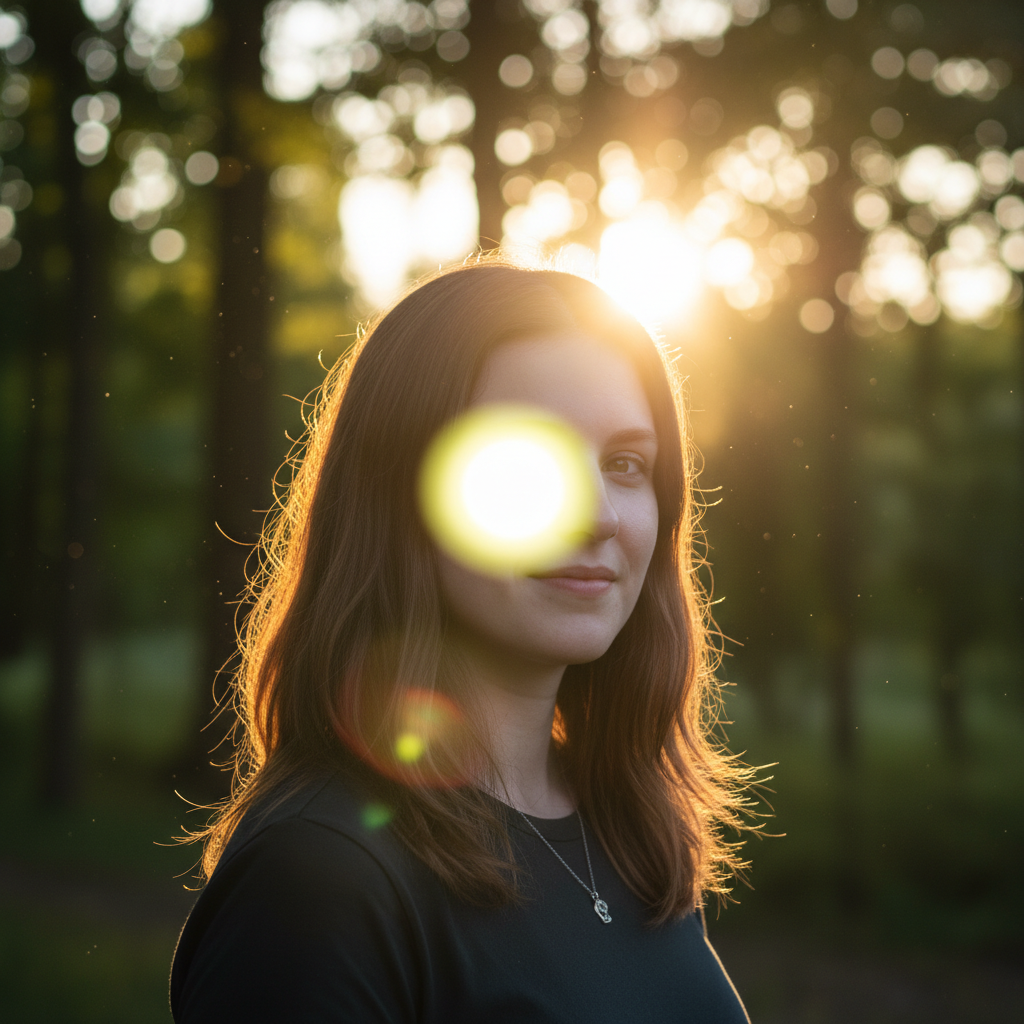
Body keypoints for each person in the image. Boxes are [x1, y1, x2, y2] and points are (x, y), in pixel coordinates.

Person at [170, 257, 756, 1023]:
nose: (599, 515)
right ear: (402, 492)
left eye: (625, 464)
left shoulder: (631, 833)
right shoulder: (318, 875)